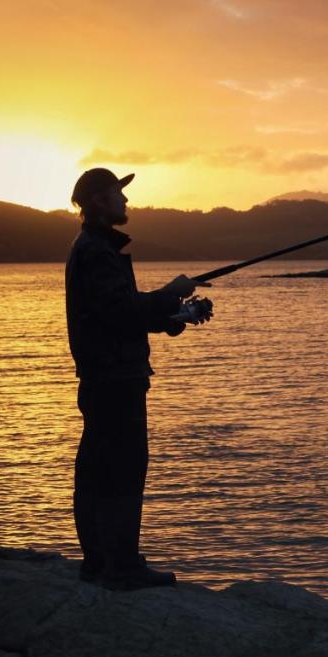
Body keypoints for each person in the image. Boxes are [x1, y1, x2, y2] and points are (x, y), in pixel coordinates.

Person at [65, 167, 210, 590]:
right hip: (114, 379)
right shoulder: (95, 250)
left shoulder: (94, 247)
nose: (125, 202)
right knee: (123, 469)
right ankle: (122, 567)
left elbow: (117, 313)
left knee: (96, 468)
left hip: (103, 376)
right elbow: (121, 312)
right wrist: (173, 293)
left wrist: (171, 319)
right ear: (97, 202)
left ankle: (97, 563)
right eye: (117, 195)